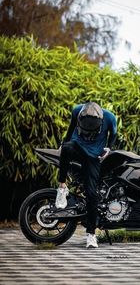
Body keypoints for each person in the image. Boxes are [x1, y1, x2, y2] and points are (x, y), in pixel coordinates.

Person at [55, 101, 117, 248]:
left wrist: (109, 148)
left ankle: (91, 235)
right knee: (66, 148)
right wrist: (62, 144)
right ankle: (62, 186)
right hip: (78, 147)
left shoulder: (109, 117)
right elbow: (70, 129)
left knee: (92, 194)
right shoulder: (77, 111)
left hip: (94, 156)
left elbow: (113, 134)